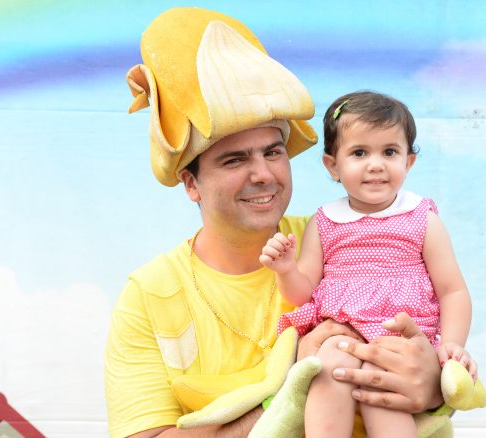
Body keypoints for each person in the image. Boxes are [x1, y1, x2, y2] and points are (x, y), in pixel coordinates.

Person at [105, 8, 445, 438]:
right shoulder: (149, 294)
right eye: (234, 160)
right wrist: (290, 388)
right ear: (191, 184)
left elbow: (434, 357)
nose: (263, 174)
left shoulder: (342, 236)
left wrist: (432, 384)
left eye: (272, 152)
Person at [259, 90, 475, 437]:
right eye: (359, 153)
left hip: (399, 336)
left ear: (408, 162)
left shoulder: (421, 218)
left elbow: (453, 291)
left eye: (389, 152)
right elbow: (304, 294)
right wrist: (287, 270)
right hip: (341, 330)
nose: (376, 164)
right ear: (333, 165)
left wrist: (452, 343)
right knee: (329, 368)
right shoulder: (325, 221)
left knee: (382, 389)